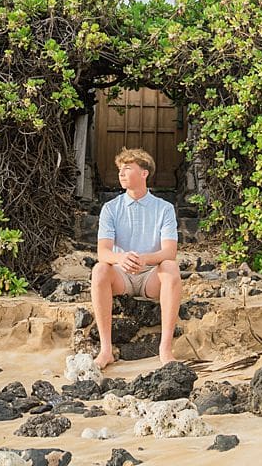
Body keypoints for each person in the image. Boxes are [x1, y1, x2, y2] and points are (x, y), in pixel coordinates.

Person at [90, 147, 182, 368]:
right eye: (120, 169)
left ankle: (165, 349)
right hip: (121, 276)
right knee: (100, 269)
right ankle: (106, 350)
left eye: (127, 168)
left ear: (144, 173)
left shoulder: (164, 208)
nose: (121, 173)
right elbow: (103, 251)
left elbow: (169, 252)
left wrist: (145, 259)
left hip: (151, 276)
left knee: (170, 267)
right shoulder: (110, 208)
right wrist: (119, 259)